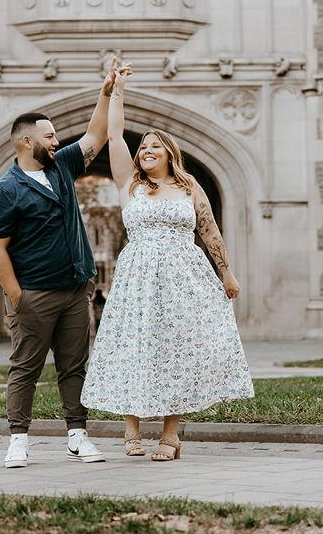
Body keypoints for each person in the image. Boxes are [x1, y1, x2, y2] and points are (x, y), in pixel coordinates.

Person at [81, 68, 254, 461]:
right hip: (138, 276)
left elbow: (208, 230)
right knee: (133, 346)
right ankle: (131, 428)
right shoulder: (130, 184)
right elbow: (114, 135)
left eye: (155, 146)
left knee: (178, 349)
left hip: (184, 276)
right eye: (143, 146)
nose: (146, 150)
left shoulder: (189, 186)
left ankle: (171, 435)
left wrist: (226, 273)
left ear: (170, 154)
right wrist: (117, 91)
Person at [0, 63, 129, 469]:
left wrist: (105, 92)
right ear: (26, 141)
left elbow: (95, 137)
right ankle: (18, 440)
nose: (56, 140)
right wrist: (17, 296)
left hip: (75, 290)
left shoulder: (61, 166)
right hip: (34, 293)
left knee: (74, 367)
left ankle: (77, 436)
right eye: (49, 136)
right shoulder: (5, 191)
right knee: (25, 369)